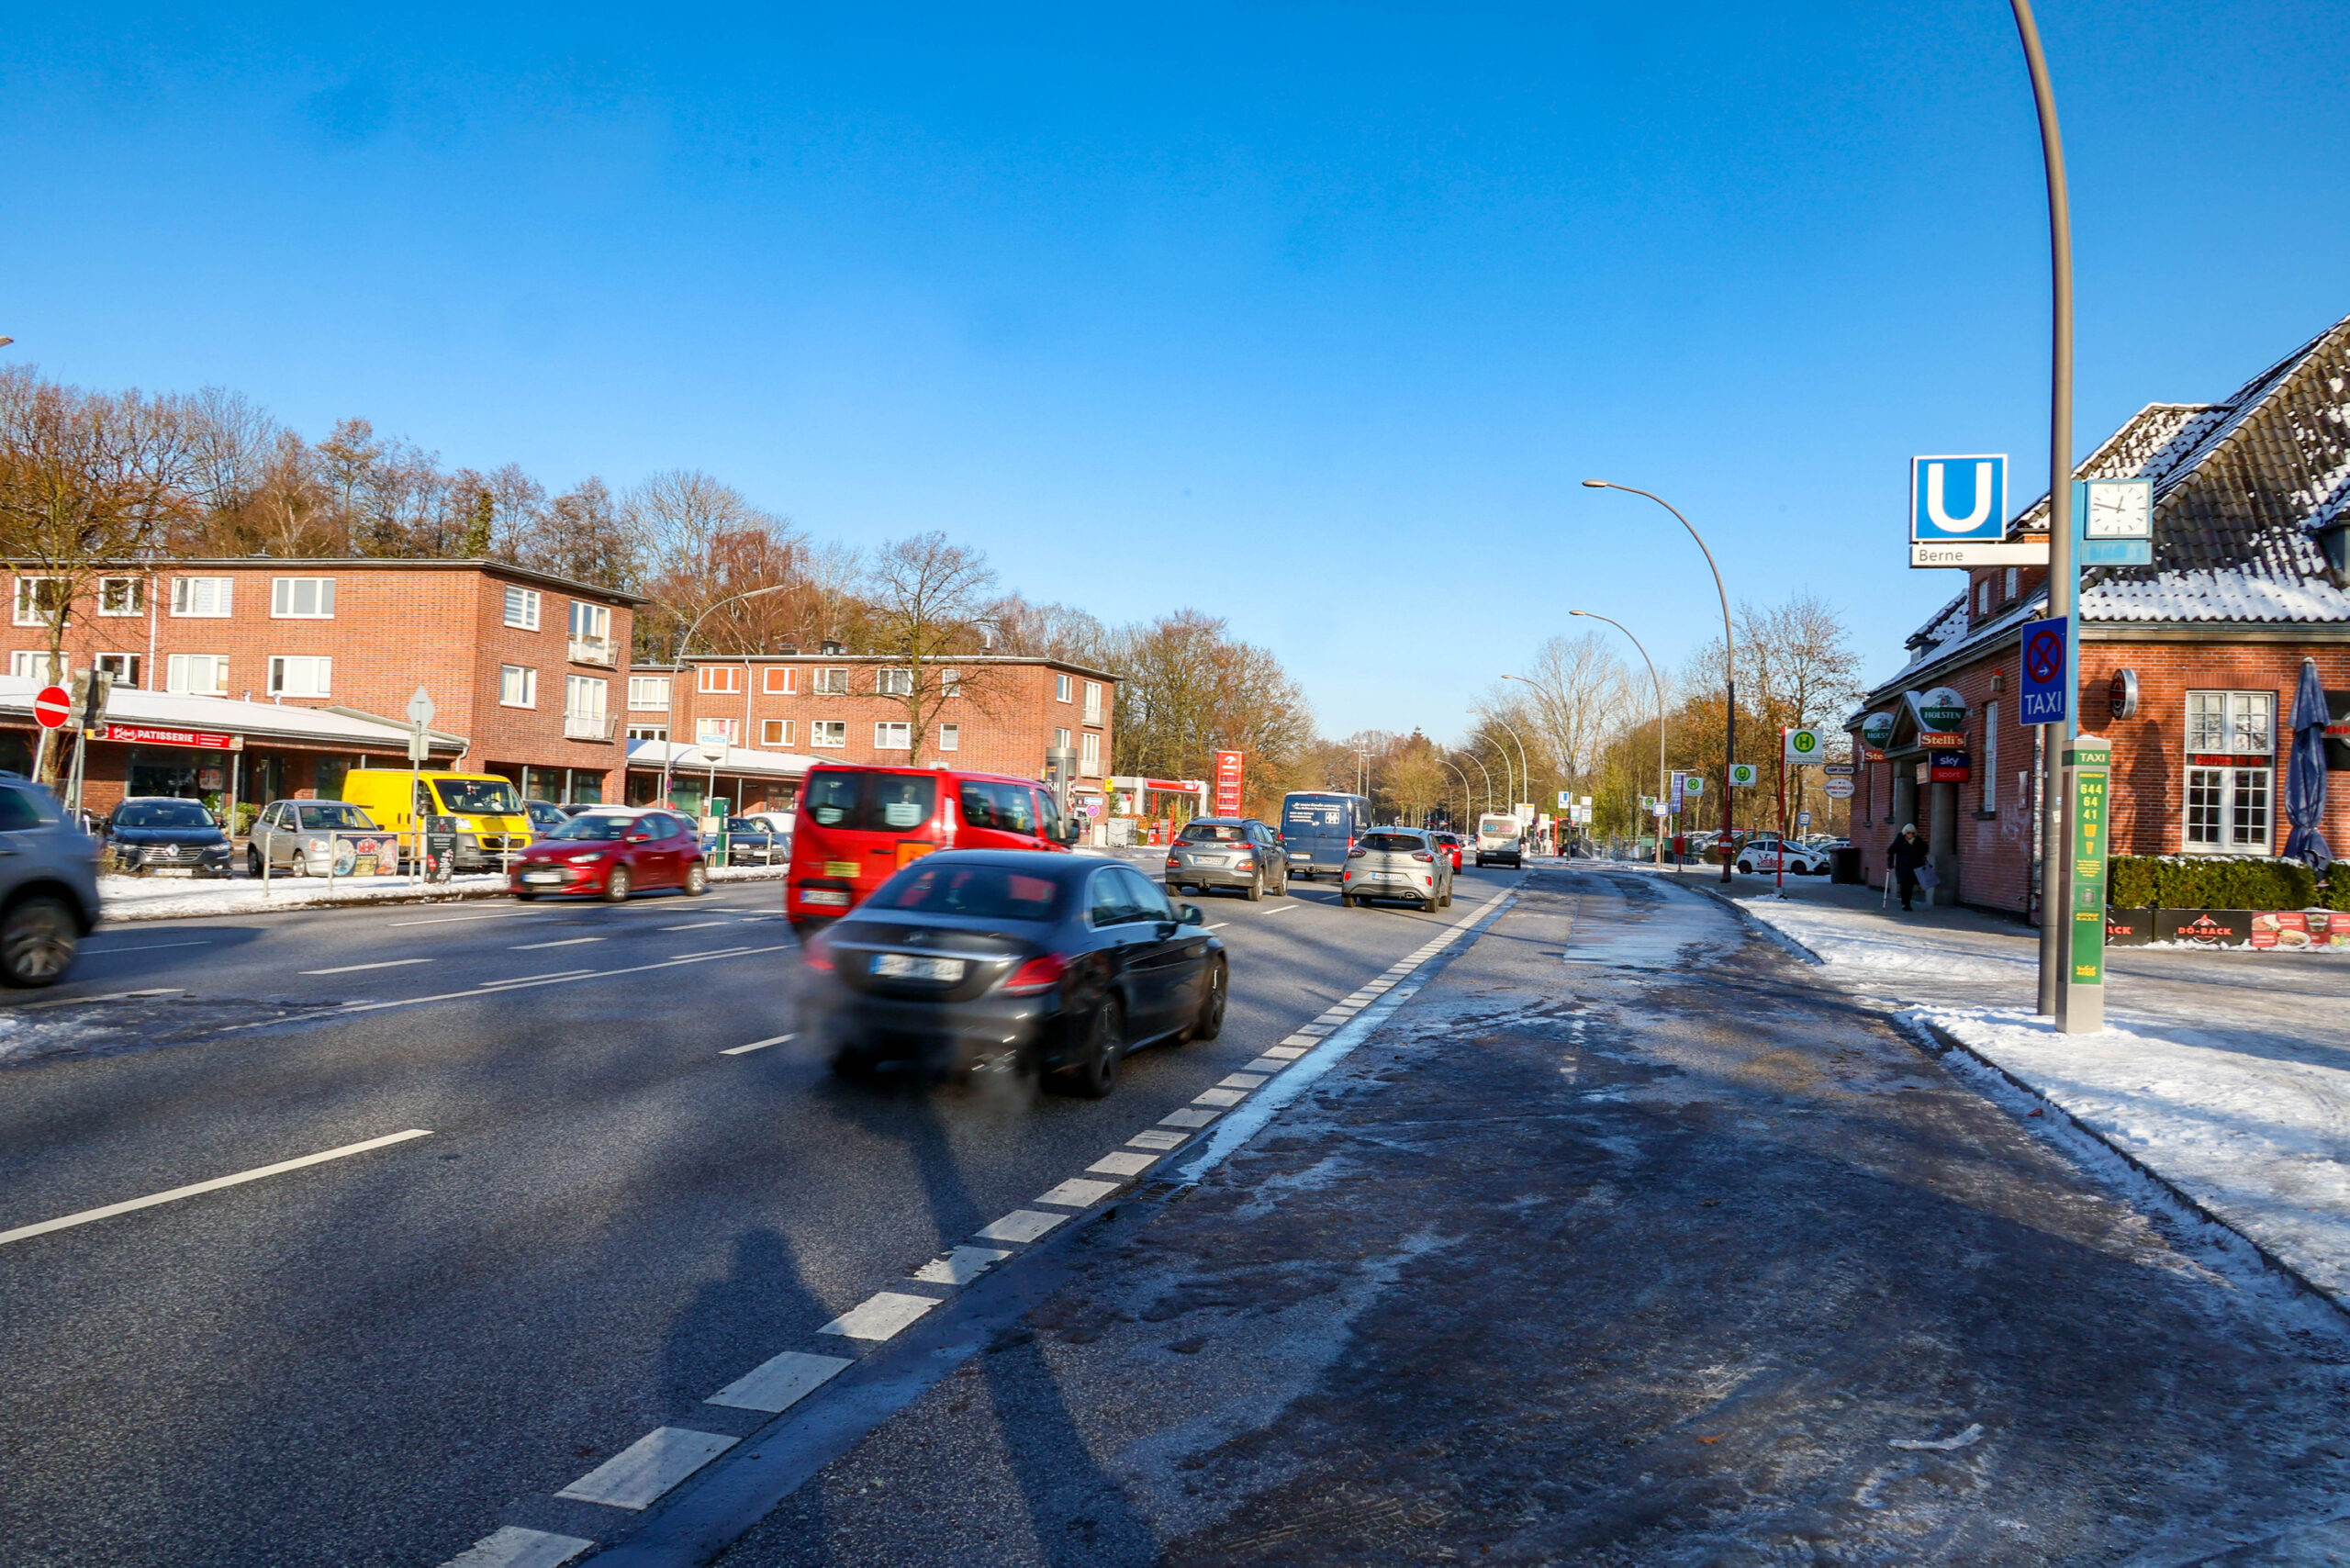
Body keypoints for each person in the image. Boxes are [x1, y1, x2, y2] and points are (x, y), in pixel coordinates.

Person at [1889, 823, 1929, 911]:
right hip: (1902, 867)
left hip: (1913, 867)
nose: (1910, 835)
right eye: (1908, 833)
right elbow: (1891, 850)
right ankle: (1904, 903)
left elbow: (1924, 849)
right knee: (1904, 885)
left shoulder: (1917, 841)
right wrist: (1890, 863)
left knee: (1910, 886)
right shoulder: (1900, 840)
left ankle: (1908, 903)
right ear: (1905, 833)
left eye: (1912, 833)